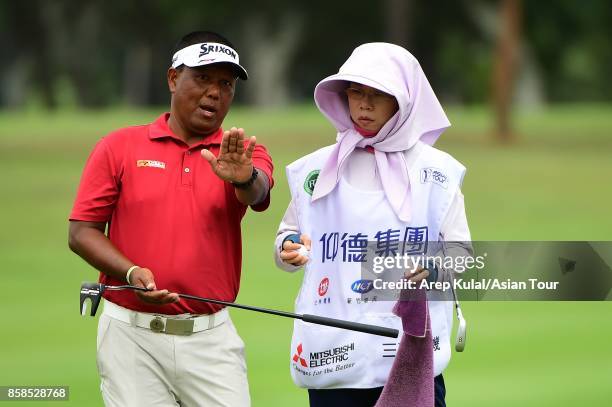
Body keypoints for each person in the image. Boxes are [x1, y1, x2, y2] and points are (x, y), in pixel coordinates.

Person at [69, 31, 273, 407]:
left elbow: (258, 193)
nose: (214, 92)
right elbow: (81, 232)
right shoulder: (119, 146)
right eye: (202, 78)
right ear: (173, 79)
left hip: (210, 340)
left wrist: (243, 177)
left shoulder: (242, 152)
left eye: (225, 84)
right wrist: (131, 273)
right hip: (131, 338)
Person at [274, 43, 471, 406]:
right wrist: (288, 248)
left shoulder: (437, 172)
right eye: (355, 93)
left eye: (377, 96)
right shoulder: (315, 170)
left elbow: (461, 253)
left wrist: (434, 267)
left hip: (409, 357)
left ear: (403, 101)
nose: (363, 105)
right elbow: (287, 240)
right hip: (333, 360)